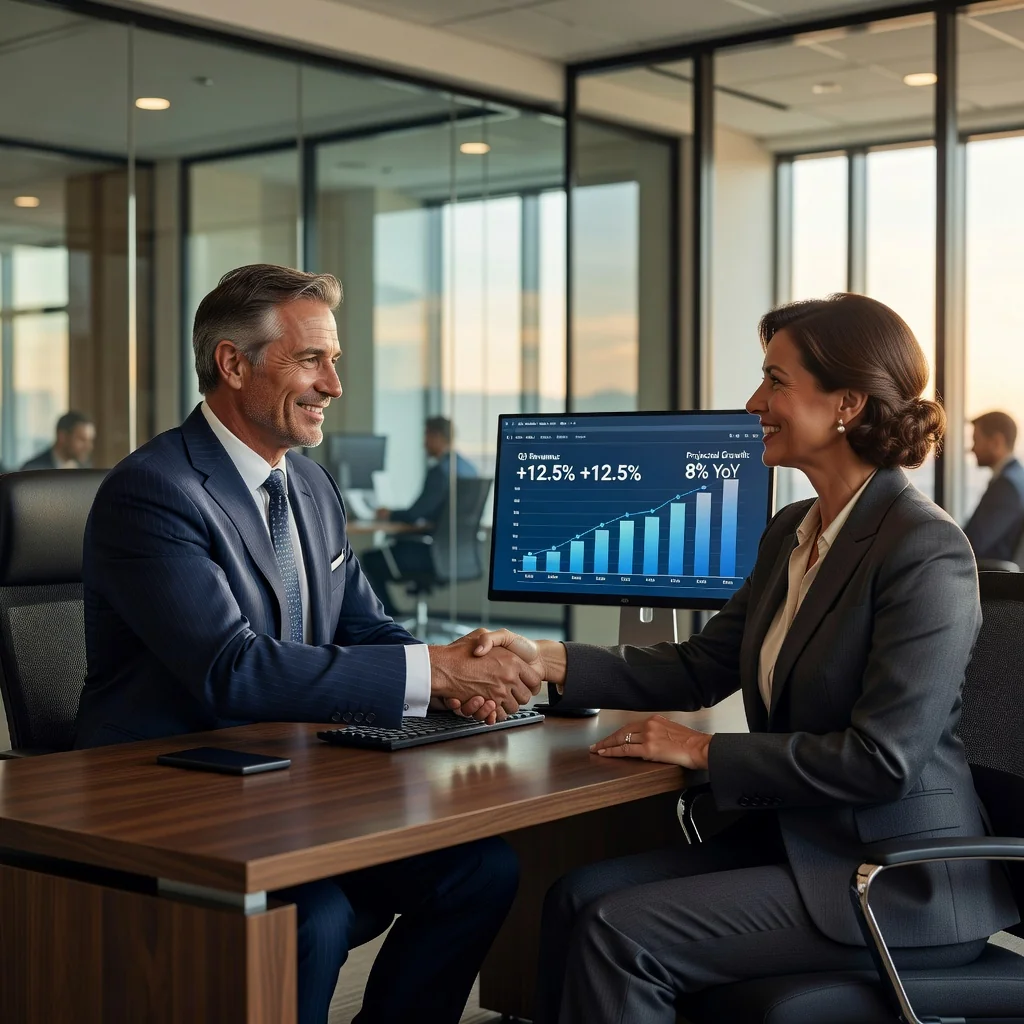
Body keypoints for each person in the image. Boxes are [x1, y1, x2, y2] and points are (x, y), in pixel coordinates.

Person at [473, 293, 1019, 1024]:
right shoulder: (795, 531)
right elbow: (701, 666)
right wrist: (543, 659)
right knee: (572, 896)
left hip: (895, 881)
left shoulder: (924, 547)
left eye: (775, 381)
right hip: (805, 844)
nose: (753, 401)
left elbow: (882, 760)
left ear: (847, 403)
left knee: (617, 933)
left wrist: (703, 751)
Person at [74, 264, 540, 1024]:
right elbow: (233, 671)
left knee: (482, 869)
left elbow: (365, 627)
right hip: (175, 792)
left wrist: (462, 679)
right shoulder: (154, 490)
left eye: (336, 361)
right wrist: (432, 673)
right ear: (233, 364)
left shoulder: (310, 486)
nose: (334, 385)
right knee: (312, 918)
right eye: (311, 359)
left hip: (291, 784)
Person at [361, 416, 477, 617]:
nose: (424, 443)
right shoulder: (468, 468)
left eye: (426, 436)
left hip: (434, 555)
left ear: (436, 436)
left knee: (369, 559)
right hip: (460, 555)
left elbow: (415, 514)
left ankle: (389, 617)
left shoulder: (440, 471)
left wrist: (389, 513)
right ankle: (393, 616)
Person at [964, 410, 1024, 563]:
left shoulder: (1006, 487)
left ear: (996, 442)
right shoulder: (1017, 477)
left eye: (976, 440)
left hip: (990, 580)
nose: (972, 449)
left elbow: (971, 545)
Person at [20, 410, 95, 470]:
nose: (88, 446)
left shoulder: (86, 468)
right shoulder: (32, 470)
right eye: (82, 440)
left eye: (90, 441)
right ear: (62, 437)